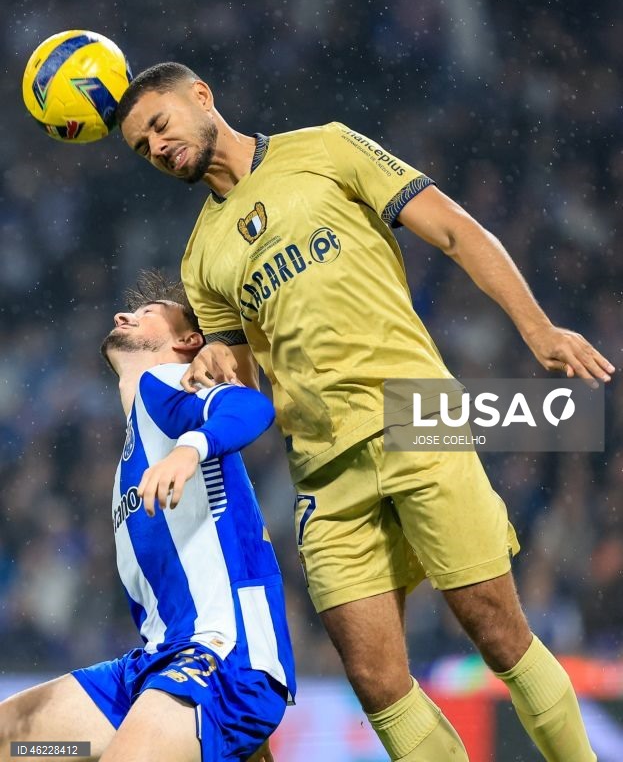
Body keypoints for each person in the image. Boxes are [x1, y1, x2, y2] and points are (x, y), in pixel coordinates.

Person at [116, 63, 614, 762]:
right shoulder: (201, 258)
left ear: (201, 97)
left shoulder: (325, 147)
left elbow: (452, 229)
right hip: (322, 469)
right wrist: (216, 372)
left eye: (160, 125)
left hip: (417, 414)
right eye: (143, 147)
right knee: (377, 682)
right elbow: (245, 383)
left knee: (495, 631)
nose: (158, 148)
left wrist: (538, 330)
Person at [0, 270, 295, 762]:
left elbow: (249, 406)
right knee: (20, 741)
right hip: (154, 665)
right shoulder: (127, 463)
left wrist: (190, 450)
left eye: (147, 314)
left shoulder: (166, 389)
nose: (123, 315)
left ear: (188, 341)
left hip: (220, 657)